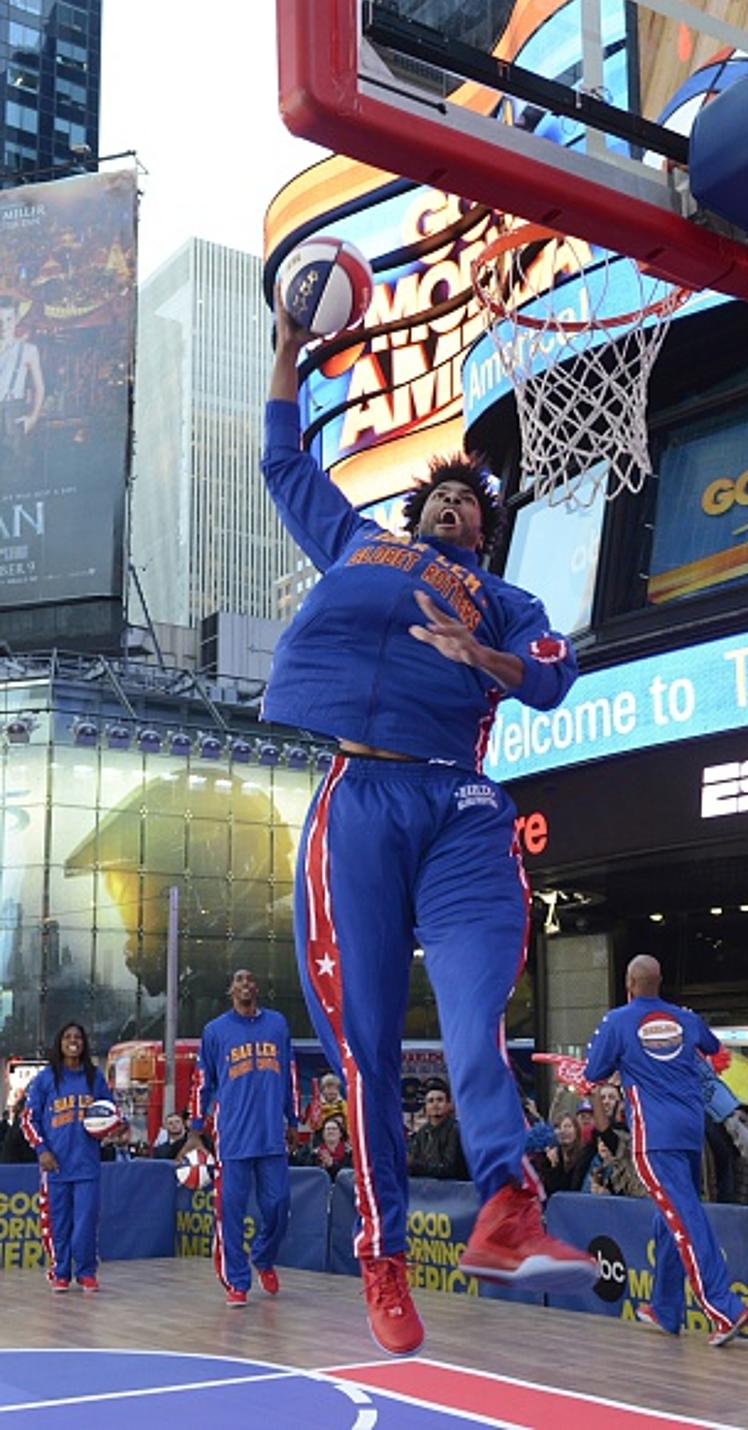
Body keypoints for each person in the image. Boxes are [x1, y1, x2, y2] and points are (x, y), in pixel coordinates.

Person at [261, 293, 596, 1355]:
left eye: (468, 505)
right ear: (414, 517)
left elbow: (553, 679)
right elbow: (284, 468)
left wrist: (485, 658)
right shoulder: (356, 545)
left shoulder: (503, 604)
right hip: (355, 801)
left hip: (456, 807)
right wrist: (285, 351)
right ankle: (383, 1255)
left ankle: (506, 1202)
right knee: (362, 1047)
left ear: (485, 535)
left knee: (469, 1018)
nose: (453, 507)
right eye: (440, 498)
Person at [585, 955, 748, 1346]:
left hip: (653, 1137)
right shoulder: (686, 1018)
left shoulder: (617, 1021)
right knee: (671, 1215)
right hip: (691, 1132)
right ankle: (665, 1306)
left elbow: (593, 1072)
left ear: (629, 982)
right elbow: (711, 1047)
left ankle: (724, 1306)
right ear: (659, 982)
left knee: (685, 1218)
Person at [184, 969, 300, 1307]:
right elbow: (202, 1081)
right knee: (230, 1212)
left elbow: (290, 1074)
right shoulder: (215, 1031)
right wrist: (195, 1129)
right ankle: (236, 1281)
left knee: (279, 1204)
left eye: (251, 979)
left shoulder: (277, 1025)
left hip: (271, 1135)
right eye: (238, 979)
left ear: (257, 987)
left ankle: (263, 1257)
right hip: (232, 1136)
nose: (245, 983)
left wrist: (293, 1119)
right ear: (230, 989)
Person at [21, 1022, 118, 1292]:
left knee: (86, 1223)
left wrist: (110, 1128)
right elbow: (29, 1118)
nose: (73, 1041)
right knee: (58, 1223)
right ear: (59, 1042)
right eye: (67, 1037)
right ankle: (60, 1271)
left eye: (78, 1037)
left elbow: (110, 1111)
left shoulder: (94, 1077)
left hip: (87, 1164)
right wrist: (42, 1150)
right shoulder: (46, 1078)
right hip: (55, 1165)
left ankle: (86, 1271)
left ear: (84, 1043)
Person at [0, 295, 44, 467]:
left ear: (16, 319)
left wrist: (33, 417)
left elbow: (39, 388)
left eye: (9, 319)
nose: (3, 325)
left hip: (12, 415)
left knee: (13, 469)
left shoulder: (28, 351)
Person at [406, 1079, 469, 1181]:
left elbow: (448, 1169)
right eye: (430, 1101)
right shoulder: (422, 1132)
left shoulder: (456, 1130)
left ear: (449, 1105)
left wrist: (413, 1164)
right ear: (425, 1107)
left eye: (440, 1100)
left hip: (456, 1191)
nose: (435, 1105)